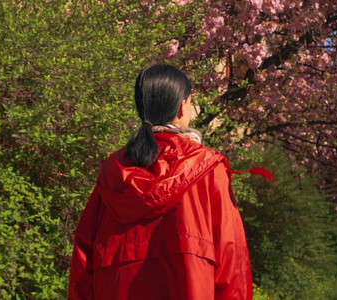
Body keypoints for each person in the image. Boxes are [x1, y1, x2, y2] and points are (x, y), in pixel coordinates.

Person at [68, 64, 253, 299]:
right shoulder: (207, 169)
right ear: (182, 106)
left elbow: (83, 264)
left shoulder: (113, 172)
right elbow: (231, 258)